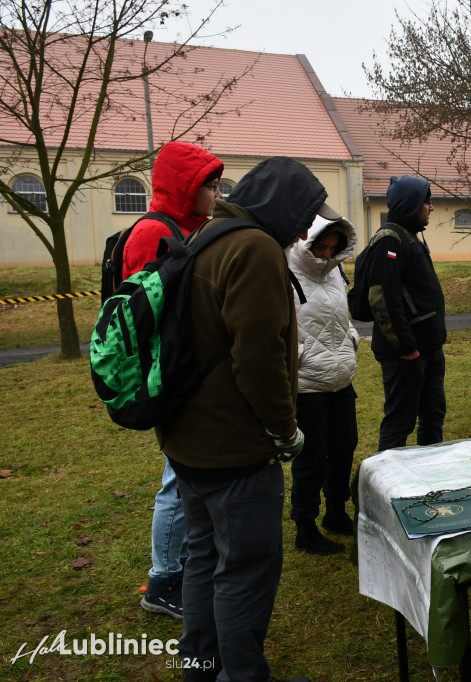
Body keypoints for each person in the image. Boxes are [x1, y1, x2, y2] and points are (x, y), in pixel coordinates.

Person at [158, 156, 337, 681]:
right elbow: (258, 359)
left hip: (189, 440)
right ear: (280, 205)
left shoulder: (209, 234)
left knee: (204, 562)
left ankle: (200, 670)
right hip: (234, 449)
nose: (307, 229)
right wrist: (285, 431)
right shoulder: (255, 248)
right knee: (244, 571)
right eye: (304, 215)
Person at [121, 141, 224, 620]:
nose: (216, 190)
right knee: (176, 479)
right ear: (186, 186)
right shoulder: (153, 232)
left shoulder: (188, 228)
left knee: (184, 477)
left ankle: (183, 566)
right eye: (209, 183)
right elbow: (146, 312)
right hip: (169, 375)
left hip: (186, 372)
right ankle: (163, 580)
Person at [287, 215, 360, 554]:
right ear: (307, 243)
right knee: (311, 458)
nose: (327, 254)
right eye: (321, 247)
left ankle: (335, 512)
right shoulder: (285, 271)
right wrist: (300, 355)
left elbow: (340, 316)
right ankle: (305, 527)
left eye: (334, 248)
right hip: (308, 386)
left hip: (340, 380)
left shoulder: (335, 273)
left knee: (344, 447)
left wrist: (351, 339)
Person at [366, 175, 447, 452]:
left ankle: (432, 475)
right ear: (411, 204)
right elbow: (382, 298)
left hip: (430, 350)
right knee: (400, 423)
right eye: (427, 202)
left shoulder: (411, 237)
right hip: (406, 356)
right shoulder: (389, 241)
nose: (431, 208)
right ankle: (386, 485)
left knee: (433, 418)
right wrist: (406, 348)